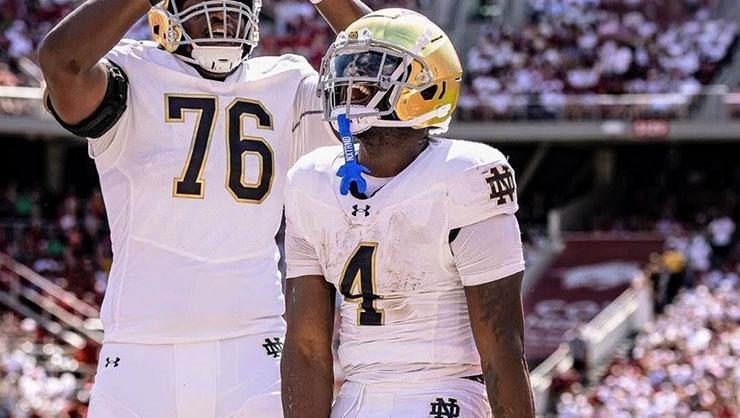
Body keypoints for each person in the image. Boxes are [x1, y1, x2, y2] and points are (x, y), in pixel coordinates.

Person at [37, 0, 370, 416]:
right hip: (141, 355)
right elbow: (61, 62)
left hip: (253, 349)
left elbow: (393, 69)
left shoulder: (287, 79)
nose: (224, 8)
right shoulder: (132, 70)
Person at [281, 9, 535, 418]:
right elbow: (307, 346)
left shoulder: (464, 175)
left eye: (372, 73)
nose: (352, 84)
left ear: (428, 88)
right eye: (349, 69)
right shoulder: (310, 180)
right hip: (357, 398)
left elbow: (502, 346)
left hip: (445, 394)